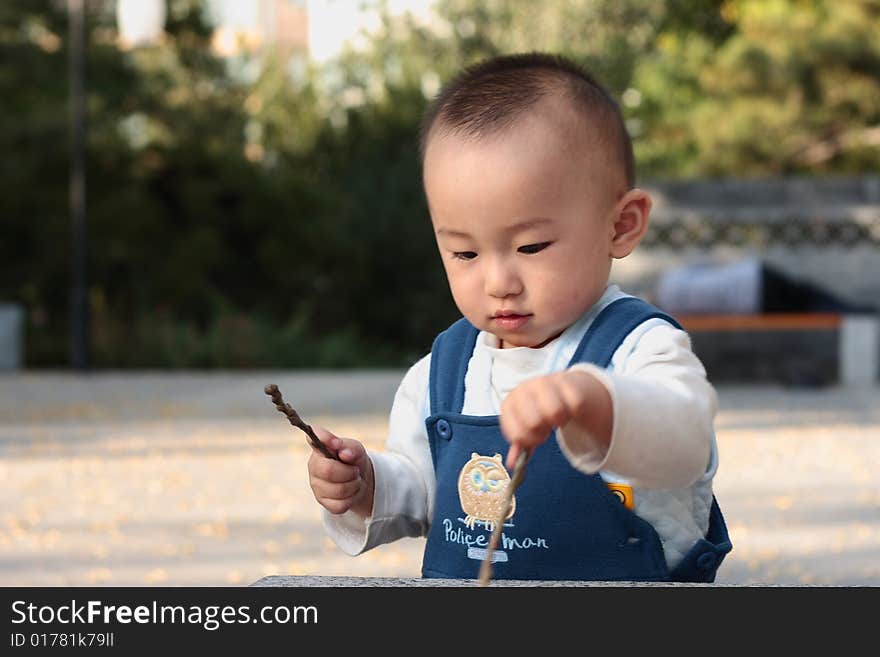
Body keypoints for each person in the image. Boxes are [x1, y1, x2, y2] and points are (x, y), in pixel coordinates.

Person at [305, 53, 731, 582]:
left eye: (531, 247)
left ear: (620, 225)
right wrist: (368, 486)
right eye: (465, 254)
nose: (498, 282)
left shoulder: (639, 348)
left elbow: (685, 444)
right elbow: (423, 487)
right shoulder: (443, 373)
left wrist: (599, 406)